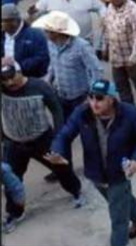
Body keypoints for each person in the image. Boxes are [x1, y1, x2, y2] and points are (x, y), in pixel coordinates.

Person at [47, 79, 136, 246]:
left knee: (118, 220)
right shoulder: (82, 113)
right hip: (95, 173)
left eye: (100, 98)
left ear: (111, 99)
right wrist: (56, 152)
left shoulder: (130, 113)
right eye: (91, 97)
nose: (94, 103)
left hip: (119, 175)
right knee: (117, 201)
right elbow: (64, 135)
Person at [1, 62, 85, 212]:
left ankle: (76, 191)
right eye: (4, 79)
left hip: (42, 140)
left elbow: (56, 110)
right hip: (13, 143)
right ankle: (13, 213)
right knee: (11, 179)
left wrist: (58, 139)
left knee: (62, 169)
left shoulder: (39, 87)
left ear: (20, 72)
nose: (9, 82)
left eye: (12, 77)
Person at [33, 11, 102, 165]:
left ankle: (95, 165)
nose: (45, 33)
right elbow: (53, 64)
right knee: (62, 134)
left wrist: (92, 96)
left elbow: (96, 70)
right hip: (61, 96)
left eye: (48, 31)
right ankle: (64, 165)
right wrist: (47, 79)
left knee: (88, 135)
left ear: (58, 32)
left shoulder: (81, 46)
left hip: (81, 98)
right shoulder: (51, 44)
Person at [2, 3, 49, 79]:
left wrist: (17, 65)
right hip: (6, 81)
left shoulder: (35, 35)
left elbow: (42, 57)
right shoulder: (2, 36)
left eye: (3, 21)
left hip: (31, 80)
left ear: (14, 21)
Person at [2, 160, 26, 233]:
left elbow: (15, 186)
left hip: (12, 186)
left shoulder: (3, 170)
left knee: (13, 192)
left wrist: (20, 199)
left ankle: (15, 214)